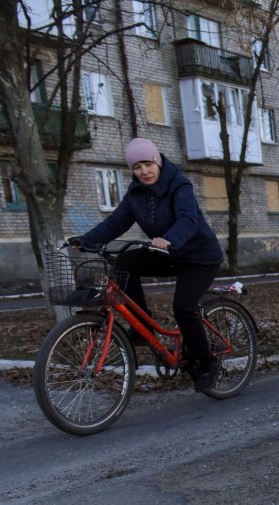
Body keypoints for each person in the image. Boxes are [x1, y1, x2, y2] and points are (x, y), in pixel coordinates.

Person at [69, 138, 225, 393]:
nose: (144, 171)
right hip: (168, 253)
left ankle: (206, 363)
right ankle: (143, 329)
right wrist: (85, 240)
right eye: (137, 167)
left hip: (199, 257)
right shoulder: (136, 193)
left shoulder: (179, 185)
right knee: (124, 264)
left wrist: (170, 239)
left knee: (183, 308)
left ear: (158, 162)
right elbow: (116, 222)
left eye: (148, 164)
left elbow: (188, 219)